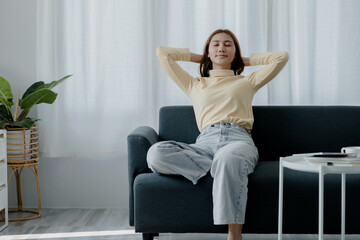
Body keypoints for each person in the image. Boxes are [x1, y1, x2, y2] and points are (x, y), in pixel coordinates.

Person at [147, 29, 289, 240]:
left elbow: (281, 57)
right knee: (156, 153)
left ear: (235, 52)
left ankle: (234, 235)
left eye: (228, 44)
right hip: (205, 144)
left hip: (238, 140)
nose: (221, 47)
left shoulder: (247, 81)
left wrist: (243, 61)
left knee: (227, 158)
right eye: (215, 44)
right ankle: (222, 171)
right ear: (208, 51)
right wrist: (202, 57)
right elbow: (162, 53)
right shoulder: (194, 83)